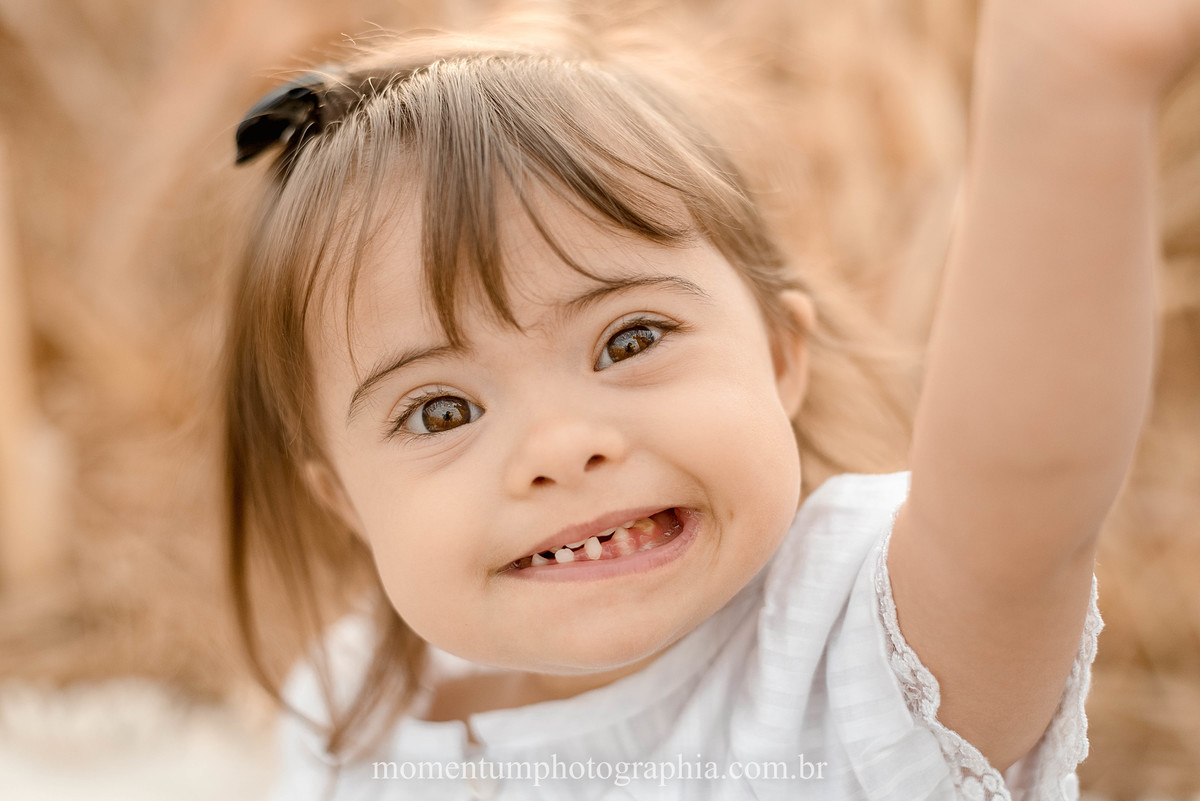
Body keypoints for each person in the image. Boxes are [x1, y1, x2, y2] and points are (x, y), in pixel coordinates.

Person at [222, 3, 1199, 799]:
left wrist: (1073, 85)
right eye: (440, 411)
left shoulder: (855, 651)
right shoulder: (353, 712)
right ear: (344, 498)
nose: (561, 447)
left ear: (780, 356)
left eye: (629, 339)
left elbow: (1026, 495)